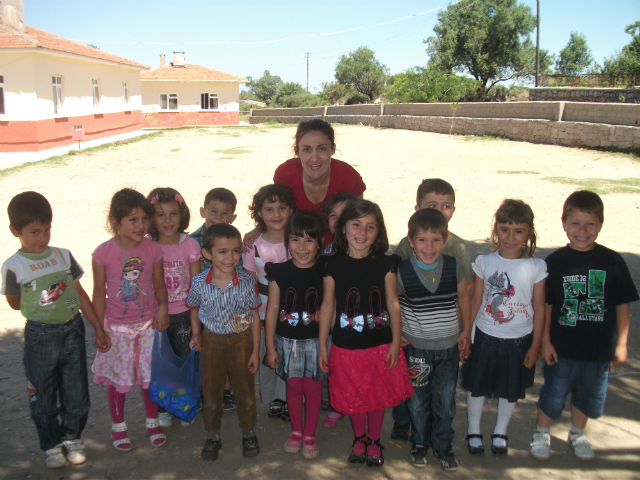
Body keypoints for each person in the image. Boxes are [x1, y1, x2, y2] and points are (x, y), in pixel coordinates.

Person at [1, 192, 110, 469]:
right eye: (34, 232)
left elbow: (80, 293)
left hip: (73, 330)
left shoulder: (63, 256)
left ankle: (72, 438)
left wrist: (97, 326)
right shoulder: (13, 266)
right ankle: (50, 444)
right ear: (15, 231)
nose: (42, 237)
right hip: (40, 336)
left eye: (47, 229)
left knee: (77, 393)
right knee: (43, 393)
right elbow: (14, 304)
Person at [530, 191, 639, 461]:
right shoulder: (553, 262)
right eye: (575, 223)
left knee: (589, 395)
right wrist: (544, 341)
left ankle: (577, 433)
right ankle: (541, 434)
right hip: (562, 347)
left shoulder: (612, 261)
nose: (582, 231)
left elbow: (622, 305)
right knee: (553, 393)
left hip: (599, 349)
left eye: (590, 224)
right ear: (564, 223)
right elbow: (545, 307)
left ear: (600, 225)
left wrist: (622, 343)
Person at [318, 199, 414, 467]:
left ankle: (373, 440)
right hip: (346, 346)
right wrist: (322, 345)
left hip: (380, 345)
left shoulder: (386, 263)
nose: (362, 232)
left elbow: (393, 303)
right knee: (354, 396)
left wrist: (396, 341)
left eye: (370, 227)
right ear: (343, 228)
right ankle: (359, 438)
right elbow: (327, 306)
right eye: (356, 224)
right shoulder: (331, 265)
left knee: (377, 396)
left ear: (379, 232)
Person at [462, 199, 547, 456]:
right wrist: (466, 333)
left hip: (520, 339)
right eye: (504, 229)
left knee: (510, 390)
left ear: (529, 233)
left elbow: (540, 308)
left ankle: (501, 431)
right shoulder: (485, 262)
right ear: (495, 229)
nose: (510, 237)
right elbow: (476, 300)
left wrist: (536, 345)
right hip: (486, 336)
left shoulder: (536, 267)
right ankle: (473, 430)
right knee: (477, 386)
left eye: (518, 231)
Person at [391, 178, 473, 443]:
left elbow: (464, 294)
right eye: (431, 205)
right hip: (414, 334)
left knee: (442, 392)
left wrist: (462, 329)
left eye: (446, 205)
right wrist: (397, 331)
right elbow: (397, 293)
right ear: (417, 208)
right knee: (411, 385)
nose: (439, 211)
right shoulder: (406, 246)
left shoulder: (458, 248)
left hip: (446, 337)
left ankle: (438, 439)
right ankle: (404, 422)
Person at [91, 188, 170, 452]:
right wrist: (99, 328)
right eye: (133, 220)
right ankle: (118, 426)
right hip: (117, 330)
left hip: (148, 326)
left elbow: (159, 285)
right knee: (119, 382)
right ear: (115, 221)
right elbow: (98, 294)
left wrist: (163, 309)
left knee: (149, 379)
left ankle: (152, 421)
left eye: (145, 219)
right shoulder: (102, 254)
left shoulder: (153, 249)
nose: (141, 226)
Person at [187, 224, 262, 461]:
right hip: (211, 341)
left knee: (245, 390)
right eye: (222, 251)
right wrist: (196, 334)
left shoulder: (247, 282)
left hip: (242, 340)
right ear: (207, 254)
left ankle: (249, 432)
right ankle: (213, 435)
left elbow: (254, 317)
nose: (230, 257)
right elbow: (194, 309)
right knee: (210, 391)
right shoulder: (199, 281)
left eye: (235, 251)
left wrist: (255, 351)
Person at [243, 119, 366, 249]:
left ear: (333, 149)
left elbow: (360, 220)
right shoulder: (286, 174)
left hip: (338, 250)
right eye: (307, 150)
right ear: (297, 152)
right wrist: (259, 229)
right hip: (298, 251)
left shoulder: (349, 177)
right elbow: (278, 210)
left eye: (322, 149)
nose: (314, 157)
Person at [264, 211, 327, 459]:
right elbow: (271, 310)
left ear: (320, 243)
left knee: (313, 390)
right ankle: (296, 431)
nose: (301, 247)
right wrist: (270, 347)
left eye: (309, 240)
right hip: (286, 342)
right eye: (295, 240)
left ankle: (310, 433)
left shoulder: (325, 272)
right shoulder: (278, 272)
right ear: (287, 242)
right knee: (292, 388)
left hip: (316, 342)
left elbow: (332, 303)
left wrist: (326, 315)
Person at [146, 187, 201, 427]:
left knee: (183, 359)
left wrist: (195, 319)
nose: (168, 220)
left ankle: (183, 403)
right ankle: (162, 408)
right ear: (151, 218)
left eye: (173, 214)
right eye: (160, 214)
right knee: (160, 361)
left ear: (183, 214)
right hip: (156, 315)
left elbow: (197, 285)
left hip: (183, 315)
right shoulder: (147, 246)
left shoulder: (189, 245)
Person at [242, 184, 295, 419]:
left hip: (293, 311)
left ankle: (291, 396)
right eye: (269, 209)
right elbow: (250, 282)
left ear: (291, 210)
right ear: (259, 214)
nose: (277, 214)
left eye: (282, 208)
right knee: (268, 353)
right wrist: (255, 317)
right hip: (264, 313)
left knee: (292, 354)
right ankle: (273, 396)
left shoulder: (297, 241)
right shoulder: (253, 246)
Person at [319, 191, 356, 429]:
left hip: (360, 318)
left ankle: (357, 402)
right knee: (336, 366)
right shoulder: (326, 252)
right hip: (335, 319)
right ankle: (337, 405)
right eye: (333, 215)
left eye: (345, 214)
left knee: (358, 365)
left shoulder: (366, 249)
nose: (339, 219)